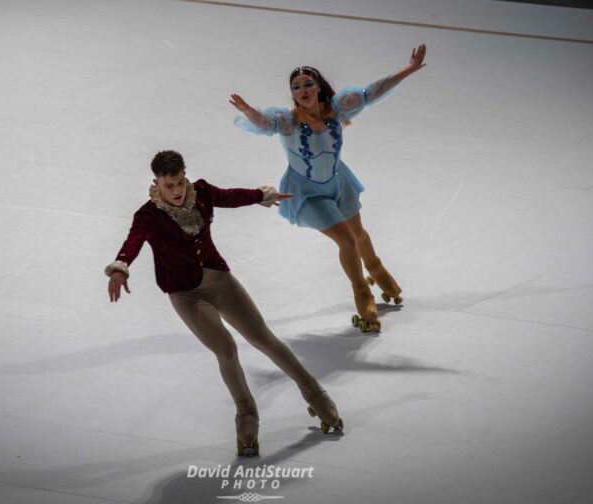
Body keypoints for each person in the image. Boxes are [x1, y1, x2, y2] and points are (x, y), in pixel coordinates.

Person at [105, 150, 343, 457]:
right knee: (226, 349)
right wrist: (120, 267)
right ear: (156, 183)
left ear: (185, 175)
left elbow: (229, 196)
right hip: (187, 294)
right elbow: (132, 243)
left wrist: (260, 195)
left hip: (220, 281)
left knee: (263, 339)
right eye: (169, 185)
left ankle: (315, 393)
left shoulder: (200, 192)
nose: (177, 191)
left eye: (180, 182)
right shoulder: (148, 216)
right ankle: (247, 414)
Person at [229, 44, 427, 333]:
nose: (303, 89)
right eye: (296, 86)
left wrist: (407, 70)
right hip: (305, 192)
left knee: (358, 233)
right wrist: (250, 112)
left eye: (308, 83)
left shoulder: (337, 108)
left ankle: (376, 267)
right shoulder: (288, 121)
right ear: (293, 93)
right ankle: (362, 292)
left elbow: (373, 91)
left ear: (319, 87)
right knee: (347, 240)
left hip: (338, 182)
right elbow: (265, 122)